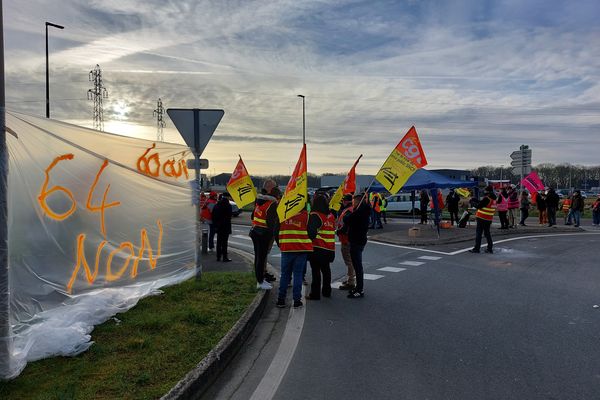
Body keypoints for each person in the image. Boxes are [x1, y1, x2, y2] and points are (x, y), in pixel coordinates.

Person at [275, 207, 316, 308]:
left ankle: (281, 300)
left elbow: (275, 231)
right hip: (301, 249)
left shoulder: (283, 213)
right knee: (298, 275)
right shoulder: (307, 216)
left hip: (286, 248)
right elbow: (312, 233)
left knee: (285, 275)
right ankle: (297, 301)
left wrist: (281, 243)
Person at [250, 180, 279, 290]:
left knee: (258, 257)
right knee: (261, 258)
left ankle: (260, 279)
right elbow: (271, 223)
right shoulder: (272, 204)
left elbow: (253, 216)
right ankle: (260, 282)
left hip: (255, 231)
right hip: (263, 234)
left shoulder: (259, 200)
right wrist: (275, 235)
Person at [306, 194, 336, 300]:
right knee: (326, 270)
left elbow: (311, 233)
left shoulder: (315, 215)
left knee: (316, 271)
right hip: (329, 248)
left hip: (318, 248)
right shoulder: (331, 216)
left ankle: (315, 294)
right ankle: (327, 291)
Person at [344, 193, 371, 298]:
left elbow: (348, 220)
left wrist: (349, 214)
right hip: (359, 240)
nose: (353, 204)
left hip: (356, 241)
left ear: (359, 202)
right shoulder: (363, 211)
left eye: (354, 202)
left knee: (358, 266)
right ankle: (358, 288)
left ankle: (359, 289)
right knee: (357, 265)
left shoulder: (359, 212)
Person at [469, 186, 497, 254]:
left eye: (485, 191)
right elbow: (483, 204)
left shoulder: (487, 198)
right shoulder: (494, 199)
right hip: (489, 219)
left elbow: (479, 206)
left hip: (482, 218)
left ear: (487, 192)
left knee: (479, 233)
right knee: (487, 233)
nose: (484, 192)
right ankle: (490, 248)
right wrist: (476, 200)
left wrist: (472, 203)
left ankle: (476, 248)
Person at [336, 194, 355, 290]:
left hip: (346, 239)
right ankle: (349, 279)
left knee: (349, 261)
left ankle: (351, 281)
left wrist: (338, 231)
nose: (342, 202)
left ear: (347, 201)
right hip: (347, 239)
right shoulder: (349, 209)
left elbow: (346, 225)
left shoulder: (349, 211)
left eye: (343, 201)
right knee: (349, 260)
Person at [211, 193, 232, 262]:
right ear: (228, 197)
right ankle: (225, 257)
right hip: (225, 226)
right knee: (224, 243)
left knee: (219, 242)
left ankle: (218, 257)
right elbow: (229, 217)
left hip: (219, 227)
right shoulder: (228, 205)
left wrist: (216, 225)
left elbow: (213, 215)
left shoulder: (217, 205)